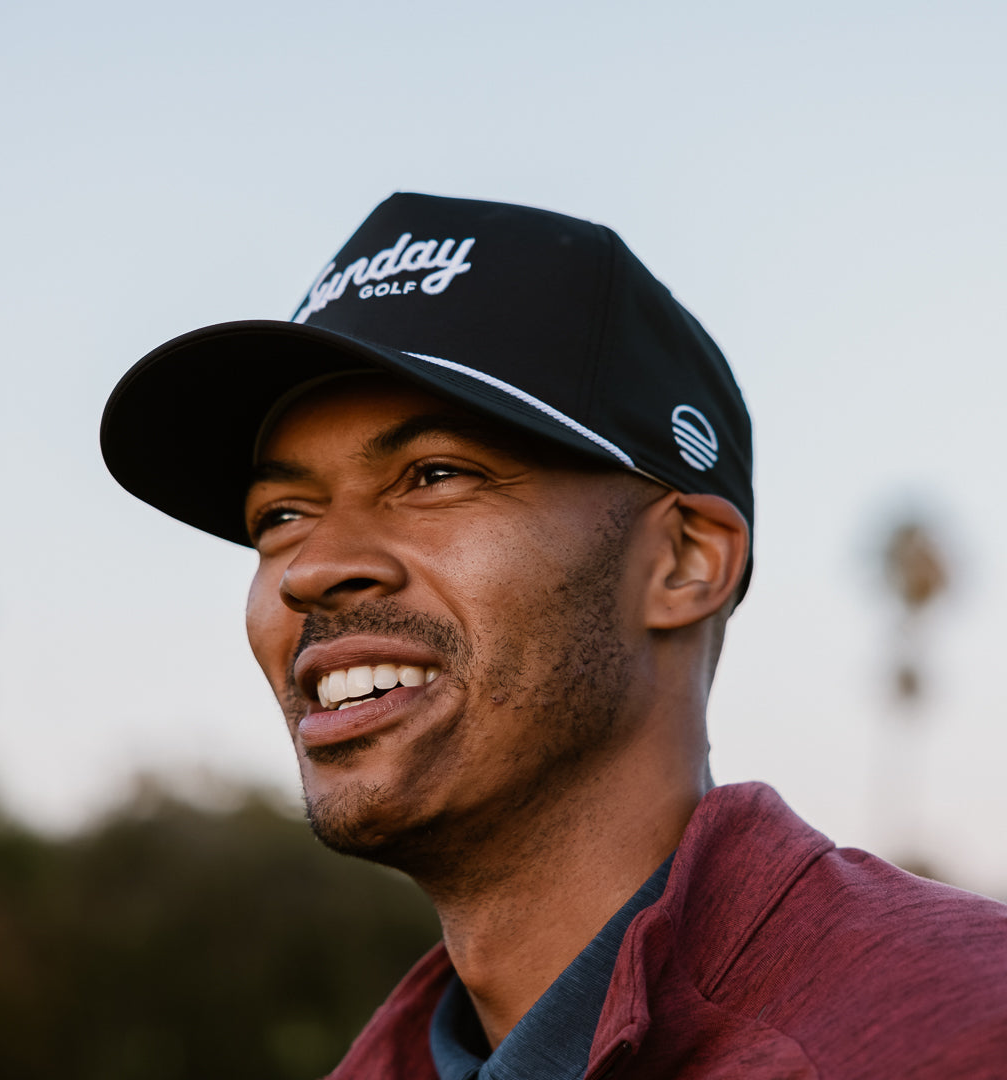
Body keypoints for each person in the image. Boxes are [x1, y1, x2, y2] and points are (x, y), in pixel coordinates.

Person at [101, 193, 1007, 1079]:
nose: (307, 569)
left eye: (434, 474)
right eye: (282, 513)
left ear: (685, 561)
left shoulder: (962, 1031)